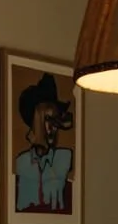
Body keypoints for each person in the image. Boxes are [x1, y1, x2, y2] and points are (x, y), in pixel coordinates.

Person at [13, 72, 74, 214]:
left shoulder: (64, 157)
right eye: (47, 119)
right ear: (37, 122)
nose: (53, 127)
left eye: (55, 120)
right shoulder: (22, 161)